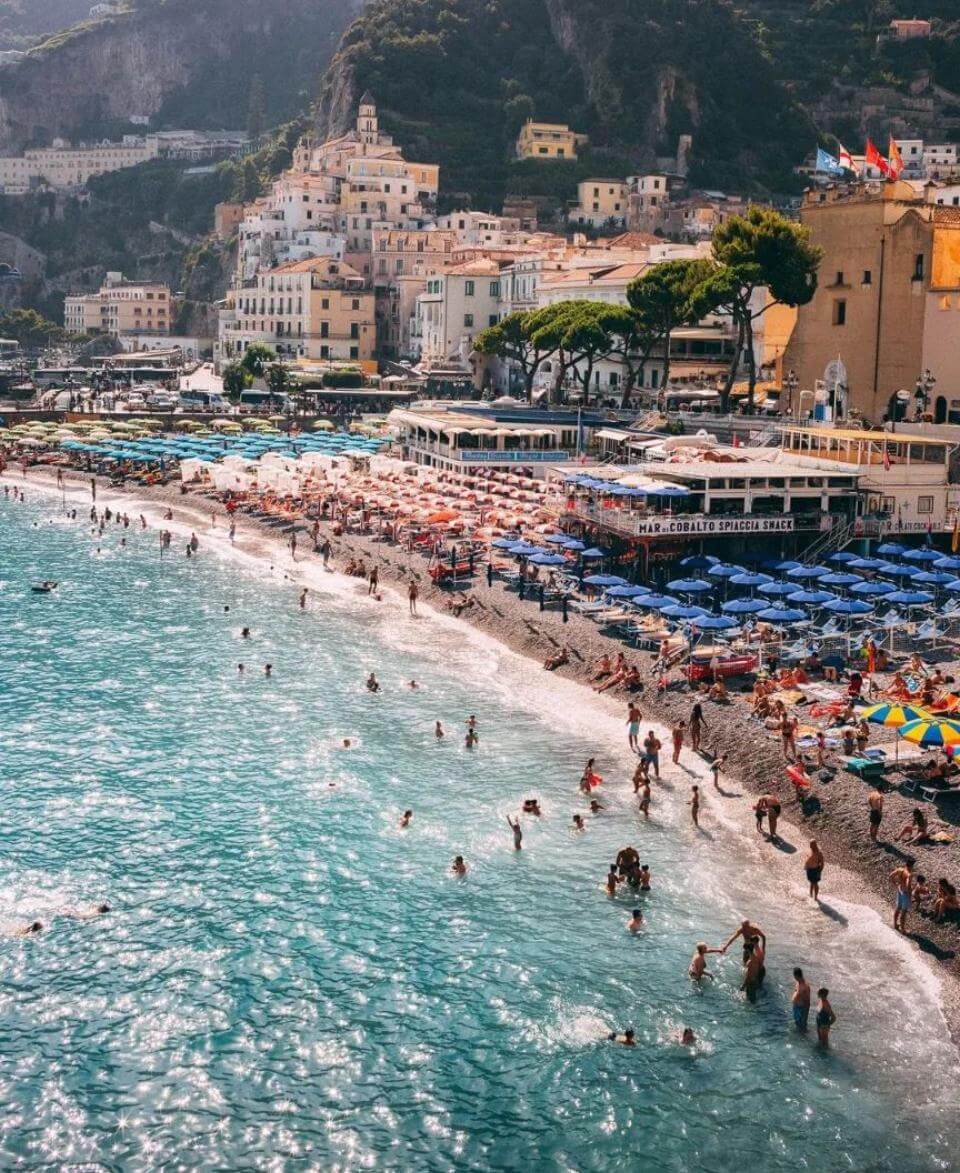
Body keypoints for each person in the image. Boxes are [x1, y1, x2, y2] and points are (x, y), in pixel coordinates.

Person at [891, 860, 915, 933]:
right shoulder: (909, 874)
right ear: (911, 866)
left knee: (898, 908)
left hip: (900, 890)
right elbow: (908, 885)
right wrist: (909, 894)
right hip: (905, 893)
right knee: (904, 912)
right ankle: (903, 929)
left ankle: (895, 924)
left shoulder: (900, 870)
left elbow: (891, 876)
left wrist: (895, 884)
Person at [792, 967, 811, 1032]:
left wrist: (805, 1014)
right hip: (796, 1007)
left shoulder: (805, 987)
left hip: (801, 1008)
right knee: (797, 1024)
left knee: (802, 1026)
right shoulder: (798, 983)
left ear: (796, 975)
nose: (794, 977)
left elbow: (807, 1001)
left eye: (794, 976)